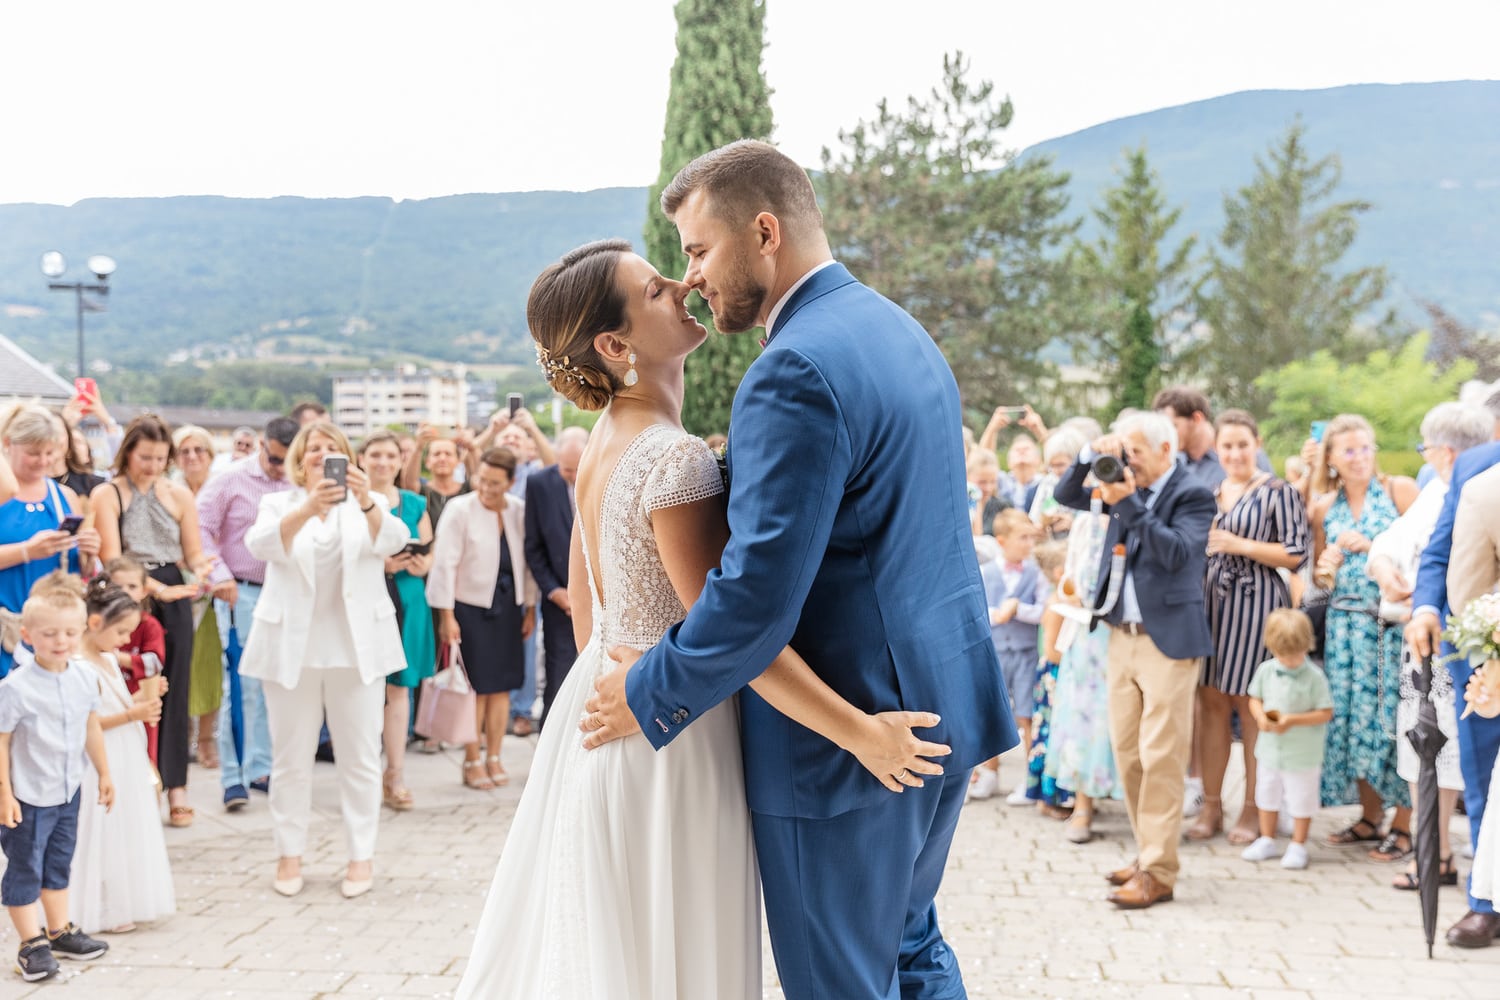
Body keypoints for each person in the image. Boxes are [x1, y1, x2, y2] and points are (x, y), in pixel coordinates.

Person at [457, 234, 961, 1000]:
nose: (682, 285)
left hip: (604, 726)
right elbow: (740, 632)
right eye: (656, 288)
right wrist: (860, 733)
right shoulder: (673, 459)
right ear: (616, 343)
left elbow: (593, 624)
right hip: (671, 739)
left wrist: (627, 672)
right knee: (676, 958)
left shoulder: (600, 447)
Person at [581, 141, 1015, 998]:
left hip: (848, 744)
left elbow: (753, 599)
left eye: (700, 251)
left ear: (765, 231)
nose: (693, 276)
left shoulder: (793, 371)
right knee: (911, 953)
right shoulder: (899, 329)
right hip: (941, 707)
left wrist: (647, 689)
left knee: (841, 982)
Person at [239, 421, 408, 899]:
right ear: (300, 457)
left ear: (346, 457)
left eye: (331, 449)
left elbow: (394, 541)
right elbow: (261, 546)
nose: (321, 455)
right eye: (314, 449)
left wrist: (367, 499)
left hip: (356, 650)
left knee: (359, 758)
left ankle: (361, 856)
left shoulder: (372, 503)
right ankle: (289, 854)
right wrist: (309, 507)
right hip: (292, 649)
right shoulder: (280, 502)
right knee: (291, 760)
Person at [1055, 410, 1216, 909]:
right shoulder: (1118, 482)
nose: (1127, 460)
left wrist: (1131, 505)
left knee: (1161, 756)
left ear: (1166, 449)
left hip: (1167, 642)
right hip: (1118, 636)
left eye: (1136, 451)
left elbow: (1175, 554)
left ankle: (1160, 873)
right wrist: (1089, 454)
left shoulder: (1192, 493)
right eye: (1122, 450)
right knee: (1127, 754)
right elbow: (1065, 496)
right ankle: (1147, 855)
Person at [1367, 402, 1492, 891]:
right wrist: (1382, 567)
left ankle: (1458, 860)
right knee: (1427, 753)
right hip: (1425, 642)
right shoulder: (1438, 489)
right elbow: (1390, 543)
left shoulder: (1463, 490)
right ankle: (1434, 855)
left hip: (1462, 646)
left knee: (1456, 757)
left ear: (1443, 450)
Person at [1405, 383, 1500, 947]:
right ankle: (1486, 901)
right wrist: (1424, 606)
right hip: (1482, 653)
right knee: (1487, 776)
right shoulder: (1476, 468)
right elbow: (1441, 549)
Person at [1193, 410, 1309, 844]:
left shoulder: (1279, 491)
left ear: (1257, 443)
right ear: (1216, 449)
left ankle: (1254, 809)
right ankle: (1211, 806)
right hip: (1210, 606)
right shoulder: (1208, 491)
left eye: (1243, 444)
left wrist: (1241, 545)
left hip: (1257, 604)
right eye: (1227, 446)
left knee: (1250, 706)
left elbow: (1298, 552)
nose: (1236, 453)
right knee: (1210, 707)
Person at [92, 415, 213, 828]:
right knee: (125, 689)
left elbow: (193, 552)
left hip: (172, 585)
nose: (153, 465)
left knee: (174, 689)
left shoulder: (178, 494)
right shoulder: (108, 493)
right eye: (146, 457)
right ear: (128, 453)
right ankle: (134, 784)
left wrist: (205, 570)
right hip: (126, 589)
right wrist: (148, 589)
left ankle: (176, 786)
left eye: (161, 458)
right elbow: (111, 556)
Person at [1308, 414, 1419, 858]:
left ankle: (1406, 824)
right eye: (1348, 450)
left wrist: (1373, 545)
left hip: (1389, 626)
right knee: (1354, 721)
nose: (1359, 458)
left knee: (1394, 719)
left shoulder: (1399, 491)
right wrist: (1328, 565)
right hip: (1344, 626)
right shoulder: (1323, 506)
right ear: (1332, 458)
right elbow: (1319, 572)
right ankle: (1371, 817)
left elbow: (1424, 549)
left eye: (1365, 448)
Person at [0, 576, 113, 982]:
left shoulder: (83, 677)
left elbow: (92, 726)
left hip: (68, 789)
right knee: (25, 867)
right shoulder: (16, 687)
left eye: (69, 631)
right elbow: (2, 739)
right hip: (28, 794)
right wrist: (5, 794)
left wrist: (103, 772)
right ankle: (31, 944)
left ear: (83, 630)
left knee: (59, 861)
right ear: (28, 635)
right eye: (49, 633)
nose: (60, 640)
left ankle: (59, 930)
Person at [195, 417, 297, 810]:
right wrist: (220, 576)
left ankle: (262, 767)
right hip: (243, 592)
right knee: (240, 686)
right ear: (261, 446)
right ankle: (233, 775)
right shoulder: (229, 480)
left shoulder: (299, 483)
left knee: (278, 684)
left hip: (288, 593)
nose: (278, 468)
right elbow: (201, 529)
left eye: (286, 462)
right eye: (274, 460)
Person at [69, 577, 175, 933]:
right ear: (95, 622)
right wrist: (133, 714)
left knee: (123, 829)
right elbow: (87, 722)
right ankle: (94, 903)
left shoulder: (107, 659)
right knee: (98, 829)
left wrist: (143, 697)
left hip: (125, 750)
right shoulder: (78, 665)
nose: (126, 641)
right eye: (120, 632)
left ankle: (119, 898)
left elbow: (116, 697)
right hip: (100, 756)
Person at [427, 448, 535, 790]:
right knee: (474, 689)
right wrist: (446, 616)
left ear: (510, 482)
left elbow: (528, 563)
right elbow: (444, 563)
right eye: (482, 480)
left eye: (495, 483)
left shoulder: (518, 510)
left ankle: (494, 756)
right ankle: (472, 758)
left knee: (501, 687)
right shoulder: (460, 509)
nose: (486, 488)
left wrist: (529, 607)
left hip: (508, 607)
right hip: (468, 608)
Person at [356, 430, 435, 810]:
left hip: (409, 595)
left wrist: (422, 563)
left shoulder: (416, 502)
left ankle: (396, 774)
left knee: (400, 687)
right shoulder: (350, 502)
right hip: (368, 594)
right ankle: (364, 773)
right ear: (361, 459)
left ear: (400, 460)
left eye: (390, 455)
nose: (383, 463)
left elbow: (430, 549)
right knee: (364, 686)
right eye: (376, 455)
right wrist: (380, 562)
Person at [1045, 486, 1124, 846]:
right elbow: (1068, 578)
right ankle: (1083, 804)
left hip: (1121, 632)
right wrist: (1068, 589)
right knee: (1083, 716)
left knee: (1120, 717)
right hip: (1084, 632)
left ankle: (1125, 796)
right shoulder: (1082, 524)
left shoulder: (1131, 517)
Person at [0, 405, 93, 677]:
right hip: (7, 631)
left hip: (55, 637)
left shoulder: (64, 496)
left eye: (49, 453)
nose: (43, 461)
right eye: (33, 453)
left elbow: (79, 570)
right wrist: (28, 551)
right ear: (8, 444)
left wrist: (88, 553)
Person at [1240, 609, 1334, 869]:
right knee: (1267, 794)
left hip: (1303, 754)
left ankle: (1298, 843)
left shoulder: (1314, 677)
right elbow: (1254, 698)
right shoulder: (1267, 670)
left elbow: (1325, 712)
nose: (1290, 660)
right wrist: (1260, 718)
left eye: (1296, 654)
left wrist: (1292, 720)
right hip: (1270, 750)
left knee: (1301, 798)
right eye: (1284, 655)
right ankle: (1267, 838)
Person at [969, 509, 1043, 804]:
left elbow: (1043, 610)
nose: (1028, 544)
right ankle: (989, 772)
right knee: (991, 710)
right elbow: (976, 609)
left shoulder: (1037, 573)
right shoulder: (986, 572)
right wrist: (996, 616)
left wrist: (1019, 610)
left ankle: (1031, 777)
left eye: (1030, 537)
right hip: (996, 651)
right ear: (1002, 541)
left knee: (1026, 714)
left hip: (1026, 654)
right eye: (1022, 538)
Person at [523, 425, 588, 731]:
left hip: (599, 599)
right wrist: (554, 591)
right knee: (558, 671)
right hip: (558, 599)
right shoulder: (539, 484)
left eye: (576, 469)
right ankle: (550, 736)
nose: (572, 477)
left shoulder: (601, 476)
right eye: (565, 469)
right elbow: (533, 547)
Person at [173, 425, 221, 771]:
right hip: (180, 586)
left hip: (216, 587)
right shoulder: (170, 491)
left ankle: (206, 739)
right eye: (185, 451)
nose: (192, 457)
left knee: (209, 666)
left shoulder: (219, 489)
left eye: (199, 450)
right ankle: (184, 736)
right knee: (181, 664)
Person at [104, 556, 167, 769]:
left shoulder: (150, 626)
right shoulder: (99, 625)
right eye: (117, 586)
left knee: (142, 759)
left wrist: (117, 657)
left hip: (141, 703)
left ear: (143, 591)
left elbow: (154, 663)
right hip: (110, 707)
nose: (125, 591)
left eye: (132, 586)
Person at [1024, 539, 1072, 817]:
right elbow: (1051, 650)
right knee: (1049, 735)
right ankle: (1046, 797)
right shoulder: (1055, 605)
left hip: (1058, 677)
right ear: (1059, 573)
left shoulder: (1061, 600)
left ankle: (1058, 794)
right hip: (1054, 678)